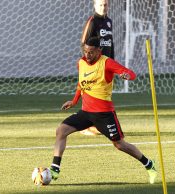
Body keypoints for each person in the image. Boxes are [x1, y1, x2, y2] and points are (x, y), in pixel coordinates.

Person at [46, 37, 157, 184]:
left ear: (99, 50)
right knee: (61, 130)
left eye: (91, 52)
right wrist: (74, 101)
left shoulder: (107, 62)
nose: (87, 55)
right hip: (86, 113)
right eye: (85, 51)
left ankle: (149, 164)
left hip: (104, 115)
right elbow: (81, 84)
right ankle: (55, 168)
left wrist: (126, 76)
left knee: (119, 145)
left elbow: (130, 73)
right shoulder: (81, 63)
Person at [81, 0, 114, 135]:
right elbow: (84, 43)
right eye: (100, 5)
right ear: (95, 6)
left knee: (103, 95)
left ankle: (95, 125)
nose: (103, 7)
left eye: (105, 5)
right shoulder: (92, 21)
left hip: (106, 65)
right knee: (90, 94)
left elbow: (110, 43)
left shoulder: (109, 21)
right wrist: (89, 63)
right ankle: (84, 126)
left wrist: (113, 62)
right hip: (94, 65)